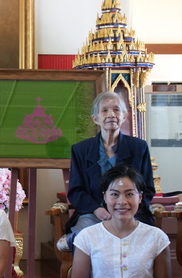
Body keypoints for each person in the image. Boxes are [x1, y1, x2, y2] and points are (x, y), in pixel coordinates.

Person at [66, 91, 154, 240]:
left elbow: (147, 189)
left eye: (116, 109)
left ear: (124, 116)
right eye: (104, 110)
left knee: (143, 238)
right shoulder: (80, 150)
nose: (111, 114)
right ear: (95, 118)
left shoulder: (139, 147)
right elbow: (76, 191)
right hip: (93, 213)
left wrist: (127, 209)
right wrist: (96, 209)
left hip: (131, 213)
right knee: (83, 238)